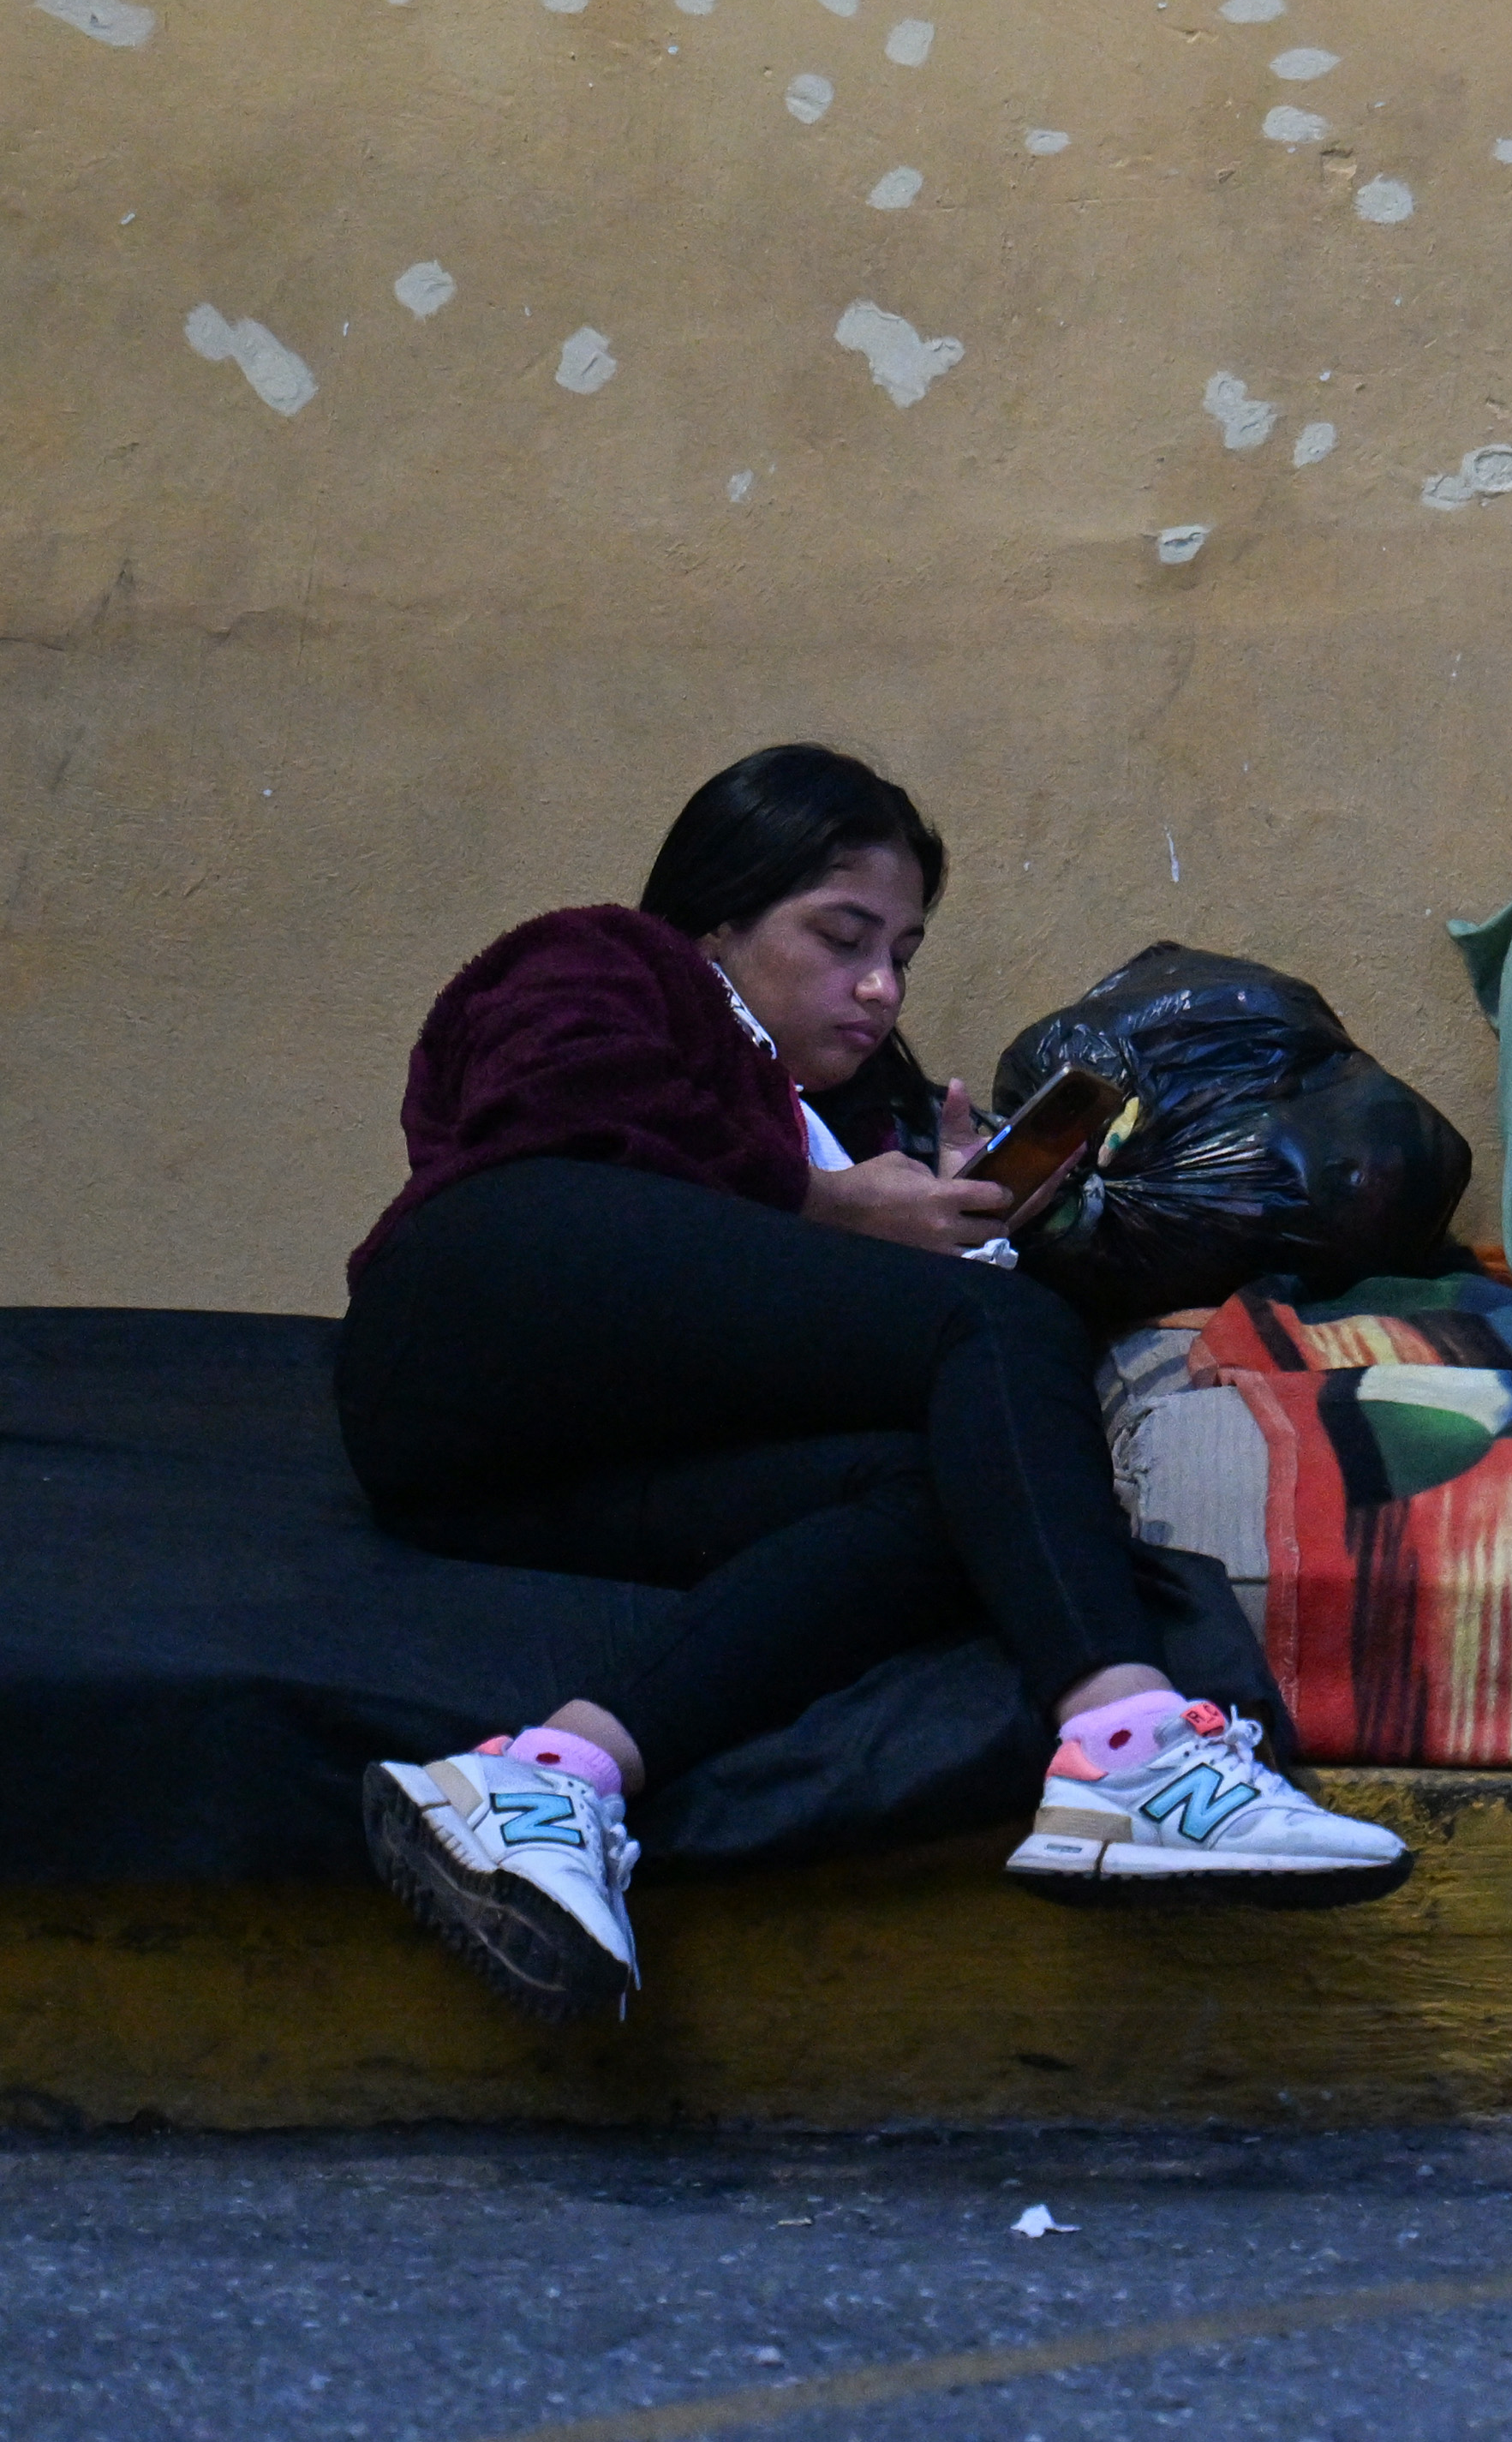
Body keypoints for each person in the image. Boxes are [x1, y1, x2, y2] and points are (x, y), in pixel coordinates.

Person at [341, 745, 1409, 2022]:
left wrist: (946, 1223)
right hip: (472, 1312)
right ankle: (1132, 1745)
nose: (879, 986)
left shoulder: (837, 1114)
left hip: (508, 1471)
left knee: (939, 1493)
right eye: (841, 936)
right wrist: (827, 1208)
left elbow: (795, 1314)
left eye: (901, 953)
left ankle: (550, 1777)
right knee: (993, 1329)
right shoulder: (609, 958)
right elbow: (551, 1111)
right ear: (718, 917)